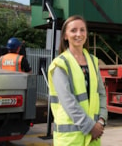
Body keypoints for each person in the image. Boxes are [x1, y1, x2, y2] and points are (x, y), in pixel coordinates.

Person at [48, 15, 108, 145]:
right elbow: (68, 101)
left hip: (93, 136)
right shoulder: (60, 64)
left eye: (82, 30)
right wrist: (91, 127)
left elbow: (102, 93)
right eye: (73, 30)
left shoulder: (93, 61)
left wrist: (101, 120)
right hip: (71, 138)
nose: (78, 34)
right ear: (65, 36)